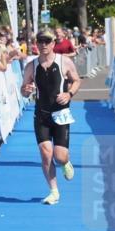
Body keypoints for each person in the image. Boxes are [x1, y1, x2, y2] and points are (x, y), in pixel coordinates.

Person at [20, 27, 80, 205]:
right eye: (40, 41)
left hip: (61, 114)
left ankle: (66, 162)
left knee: (59, 156)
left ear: (54, 43)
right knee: (46, 154)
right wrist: (26, 90)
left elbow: (76, 80)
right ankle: (54, 191)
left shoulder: (65, 62)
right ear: (36, 44)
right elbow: (24, 90)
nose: (43, 44)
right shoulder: (31, 66)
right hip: (42, 116)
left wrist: (69, 94)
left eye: (47, 41)